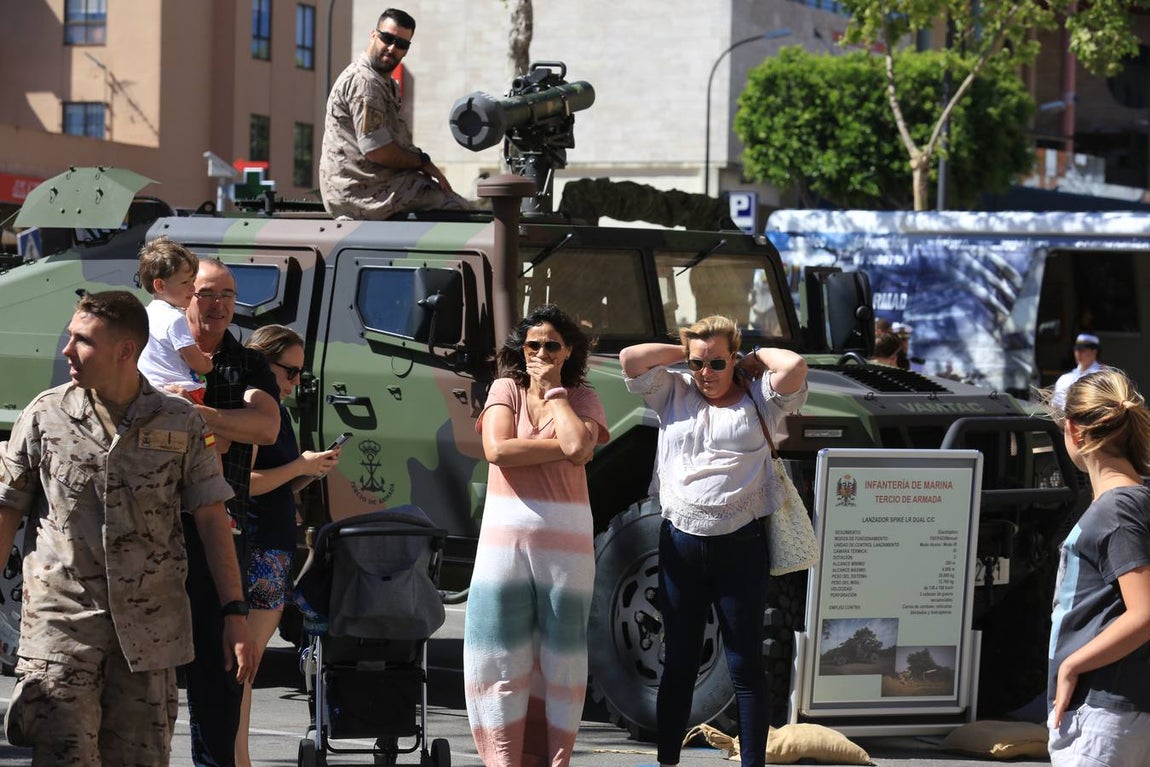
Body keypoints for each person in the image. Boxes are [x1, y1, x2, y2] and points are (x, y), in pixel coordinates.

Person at [0, 290, 254, 765]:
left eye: (83, 340)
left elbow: (212, 518)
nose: (67, 350)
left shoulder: (180, 422)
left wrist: (235, 613)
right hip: (62, 630)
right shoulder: (44, 415)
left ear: (125, 351)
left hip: (150, 635)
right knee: (63, 755)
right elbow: (6, 510)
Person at [619, 317, 808, 767]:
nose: (706, 373)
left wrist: (751, 360)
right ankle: (667, 760)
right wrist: (683, 352)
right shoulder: (673, 390)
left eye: (717, 362)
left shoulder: (760, 399)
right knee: (680, 661)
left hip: (740, 547)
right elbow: (630, 360)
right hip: (681, 543)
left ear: (735, 358)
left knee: (744, 663)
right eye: (699, 363)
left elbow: (796, 365)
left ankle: (753, 765)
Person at [464, 304, 609, 767]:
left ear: (568, 351)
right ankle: (503, 760)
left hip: (565, 549)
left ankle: (554, 760)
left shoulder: (582, 398)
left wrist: (557, 396)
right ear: (520, 350)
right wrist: (565, 449)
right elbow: (498, 450)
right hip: (504, 545)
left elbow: (578, 444)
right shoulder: (504, 388)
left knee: (561, 659)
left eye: (551, 345)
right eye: (533, 345)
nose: (541, 353)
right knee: (498, 653)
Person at [182, 259, 281, 767]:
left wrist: (207, 418)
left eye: (228, 294)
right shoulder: (156, 351)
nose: (218, 304)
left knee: (220, 668)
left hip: (225, 528)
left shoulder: (247, 362)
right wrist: (222, 429)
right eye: (206, 293)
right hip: (154, 531)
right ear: (183, 295)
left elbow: (267, 427)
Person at [235, 324, 340, 767]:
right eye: (289, 371)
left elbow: (275, 484)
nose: (295, 381)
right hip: (257, 545)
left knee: (247, 664)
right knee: (244, 663)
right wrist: (299, 464)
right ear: (263, 362)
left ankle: (236, 754)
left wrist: (308, 471)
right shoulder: (250, 407)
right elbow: (244, 483)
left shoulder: (273, 409)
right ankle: (236, 756)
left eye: (300, 374)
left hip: (273, 544)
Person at [1044, 368, 1150, 766]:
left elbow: (1144, 612)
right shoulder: (1134, 500)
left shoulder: (1117, 508)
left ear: (1072, 430)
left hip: (1106, 713)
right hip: (1118, 711)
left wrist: (1072, 666)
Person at [319, 8, 469, 220]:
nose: (392, 48)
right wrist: (423, 162)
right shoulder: (365, 83)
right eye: (387, 38)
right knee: (458, 210)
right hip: (361, 191)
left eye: (401, 44)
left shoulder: (383, 83)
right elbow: (377, 151)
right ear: (373, 35)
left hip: (374, 183)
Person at [137, 236, 214, 403]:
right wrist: (207, 363)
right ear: (160, 286)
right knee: (204, 429)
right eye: (185, 282)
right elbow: (196, 363)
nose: (193, 289)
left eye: (193, 281)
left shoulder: (143, 315)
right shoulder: (175, 318)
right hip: (184, 393)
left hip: (150, 392)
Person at [1053, 333, 1104, 408]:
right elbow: (1056, 404)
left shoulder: (1104, 376)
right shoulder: (1065, 378)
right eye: (1076, 349)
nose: (1078, 353)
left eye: (1083, 350)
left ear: (1094, 351)